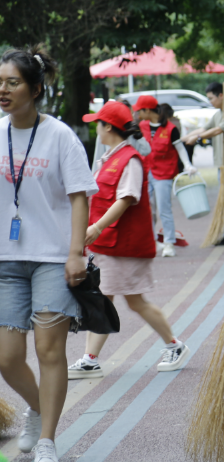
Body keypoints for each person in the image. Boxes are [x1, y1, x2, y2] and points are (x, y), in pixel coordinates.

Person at [0, 46, 99, 462]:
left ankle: (46, 440)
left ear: (36, 88)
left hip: (53, 259)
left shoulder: (59, 135)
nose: (3, 90)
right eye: (0, 82)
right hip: (6, 259)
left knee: (49, 350)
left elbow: (80, 198)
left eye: (12, 82)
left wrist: (75, 253)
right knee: (5, 357)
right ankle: (39, 407)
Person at [67, 102, 190, 380]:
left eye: (97, 123)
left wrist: (96, 227)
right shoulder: (111, 157)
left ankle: (174, 344)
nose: (95, 128)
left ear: (108, 127)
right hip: (110, 244)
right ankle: (90, 359)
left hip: (125, 246)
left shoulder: (130, 159)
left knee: (134, 301)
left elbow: (125, 199)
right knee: (104, 298)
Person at [183, 82, 224, 245]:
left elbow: (218, 130)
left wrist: (198, 138)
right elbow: (204, 128)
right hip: (222, 164)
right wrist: (186, 137)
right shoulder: (218, 114)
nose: (210, 102)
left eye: (211, 98)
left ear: (221, 95)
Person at [131, 96, 197, 257]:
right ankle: (151, 241)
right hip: (146, 172)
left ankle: (169, 243)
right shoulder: (142, 126)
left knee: (164, 208)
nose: (137, 113)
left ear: (147, 110)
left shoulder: (171, 129)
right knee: (147, 209)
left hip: (164, 174)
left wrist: (188, 165)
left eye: (139, 110)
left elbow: (180, 149)